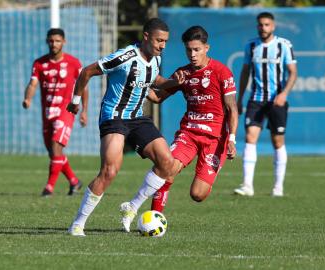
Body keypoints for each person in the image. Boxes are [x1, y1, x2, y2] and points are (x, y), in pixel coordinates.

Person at [66, 18, 183, 236]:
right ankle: (78, 224)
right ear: (146, 36)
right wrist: (75, 101)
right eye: (159, 40)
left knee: (168, 163)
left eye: (165, 41)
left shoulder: (156, 59)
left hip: (138, 117)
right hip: (114, 117)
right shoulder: (126, 56)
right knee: (110, 171)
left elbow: (154, 90)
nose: (162, 45)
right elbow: (86, 71)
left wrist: (174, 83)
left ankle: (132, 207)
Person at [147, 25, 238, 213]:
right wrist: (137, 83)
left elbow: (232, 108)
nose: (192, 54)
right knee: (168, 168)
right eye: (189, 50)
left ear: (207, 48)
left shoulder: (222, 72)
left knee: (198, 194)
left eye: (197, 49)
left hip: (215, 139)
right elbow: (157, 97)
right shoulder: (183, 73)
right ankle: (154, 217)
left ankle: (208, 174)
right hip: (189, 133)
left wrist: (232, 139)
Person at [233, 12, 297, 197]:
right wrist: (239, 99)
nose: (263, 28)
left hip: (277, 100)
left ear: (273, 26)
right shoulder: (251, 46)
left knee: (277, 141)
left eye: (267, 24)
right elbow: (245, 72)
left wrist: (284, 94)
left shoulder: (284, 45)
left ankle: (278, 188)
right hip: (257, 99)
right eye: (260, 25)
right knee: (250, 137)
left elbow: (293, 72)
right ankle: (247, 185)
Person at [22, 28, 88, 197]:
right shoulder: (39, 64)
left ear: (63, 42)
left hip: (66, 111)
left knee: (55, 146)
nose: (54, 44)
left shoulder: (73, 63)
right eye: (51, 41)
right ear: (47, 42)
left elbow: (83, 86)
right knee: (53, 153)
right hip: (47, 113)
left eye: (57, 41)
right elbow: (32, 84)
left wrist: (84, 110)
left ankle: (49, 188)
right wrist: (28, 99)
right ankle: (74, 181)